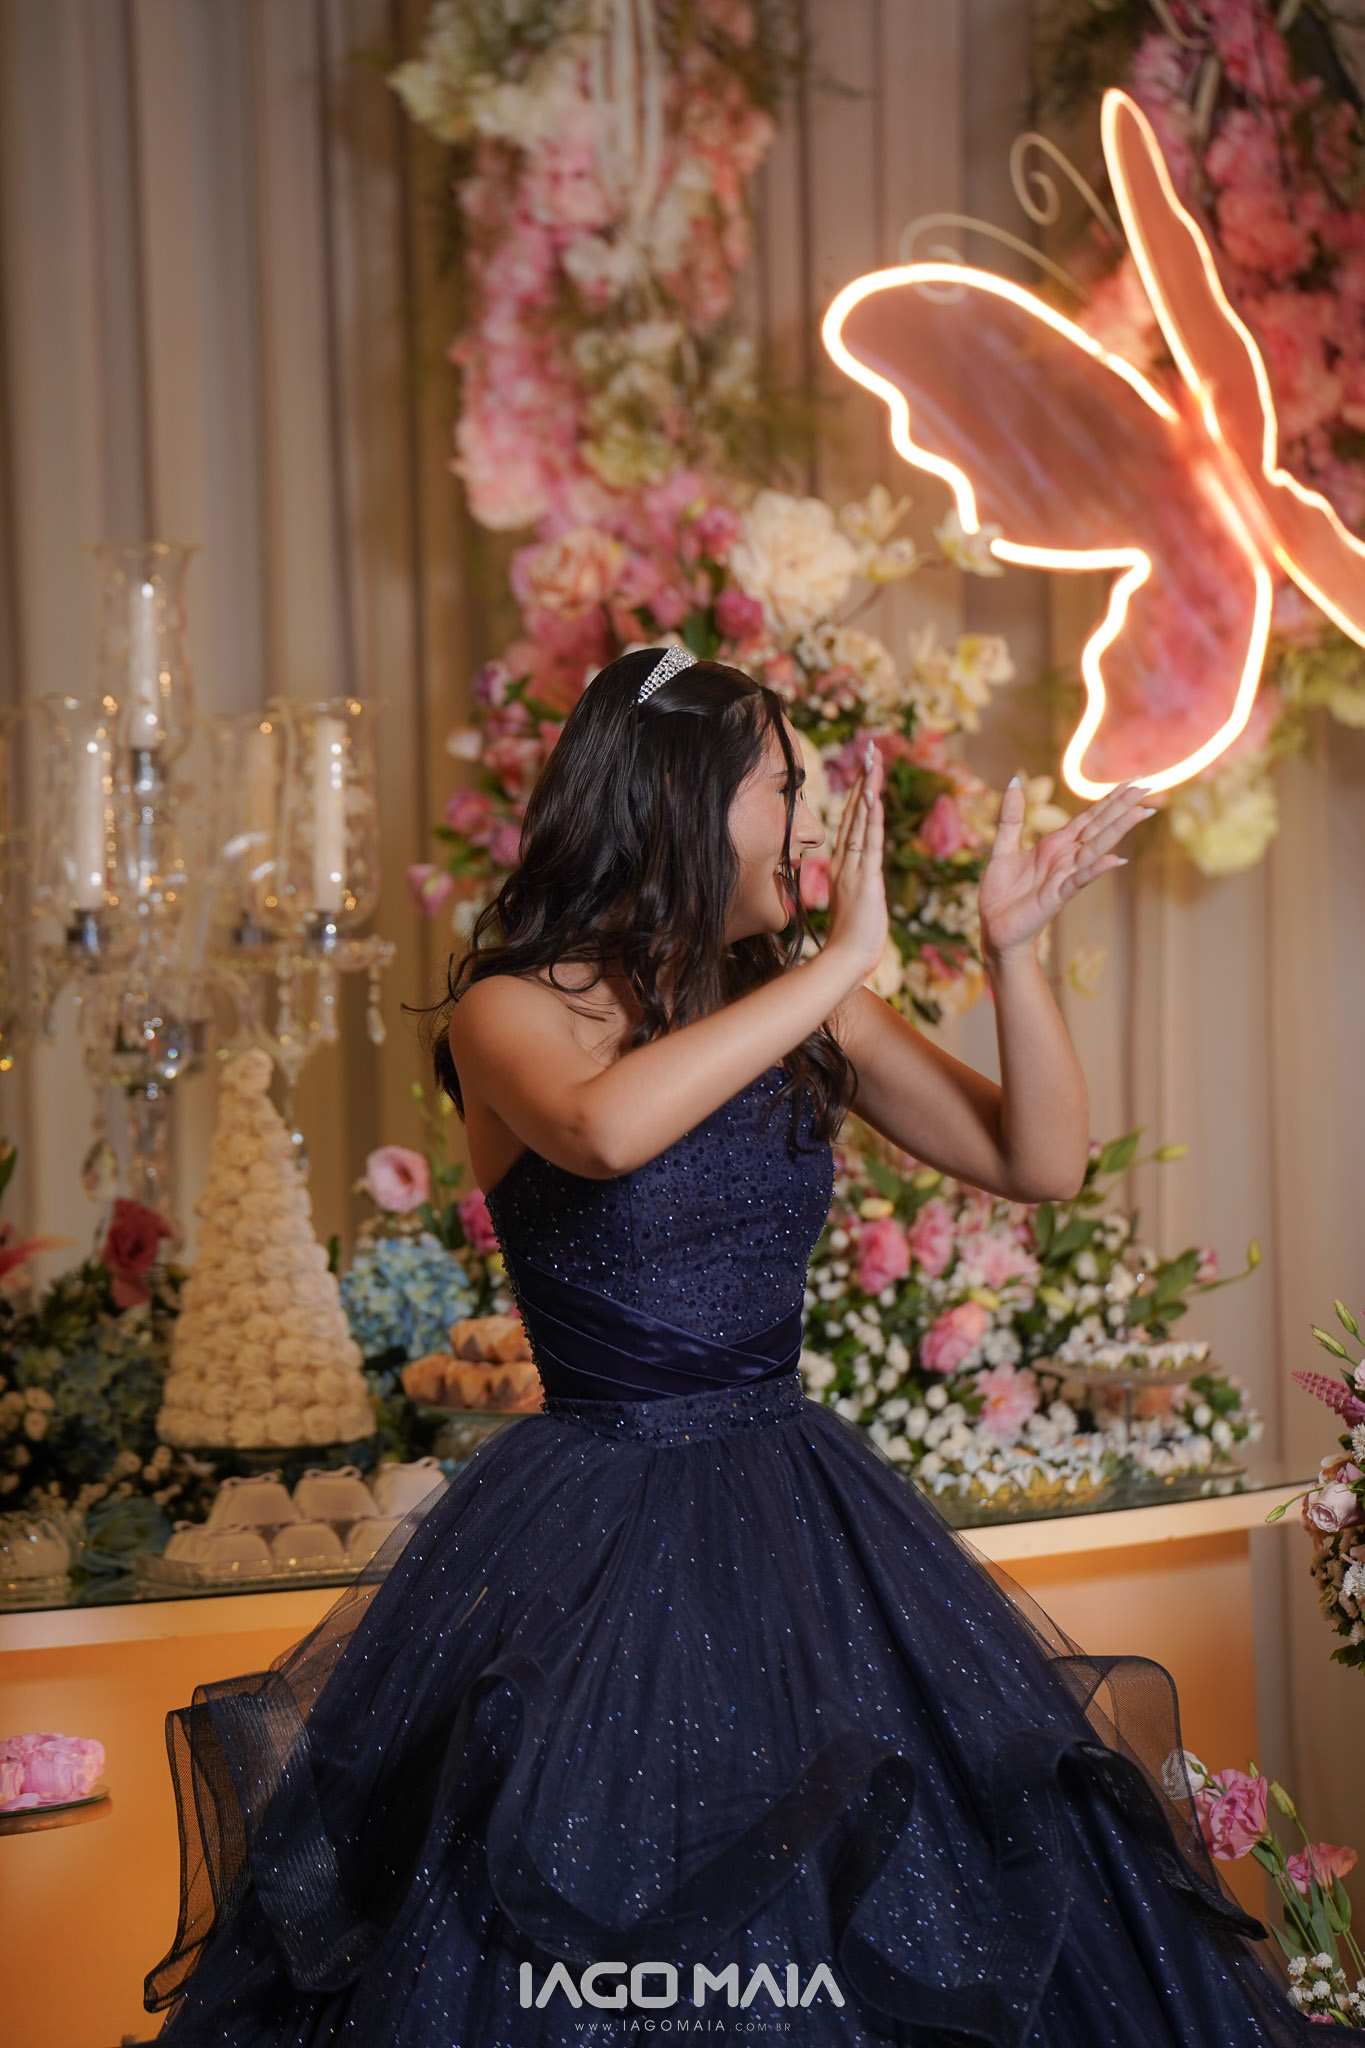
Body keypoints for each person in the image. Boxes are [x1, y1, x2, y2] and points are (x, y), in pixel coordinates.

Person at [145, 646, 1343, 2046]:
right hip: (588, 1529)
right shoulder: (511, 1008)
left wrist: (1012, 956)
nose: (810, 818)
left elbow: (1039, 1160)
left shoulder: (802, 998)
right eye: (784, 786)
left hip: (797, 1508)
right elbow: (602, 1130)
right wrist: (836, 965)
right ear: (679, 797)